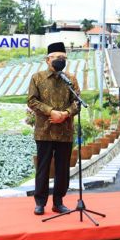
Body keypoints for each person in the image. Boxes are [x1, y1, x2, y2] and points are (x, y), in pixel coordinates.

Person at [28, 41, 80, 215]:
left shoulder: (70, 79)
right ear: (47, 59)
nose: (61, 60)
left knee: (63, 169)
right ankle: (40, 202)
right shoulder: (37, 78)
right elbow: (32, 101)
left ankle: (58, 202)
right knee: (43, 168)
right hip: (44, 131)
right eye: (58, 57)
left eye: (64, 58)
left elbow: (77, 103)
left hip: (65, 132)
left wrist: (65, 113)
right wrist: (51, 112)